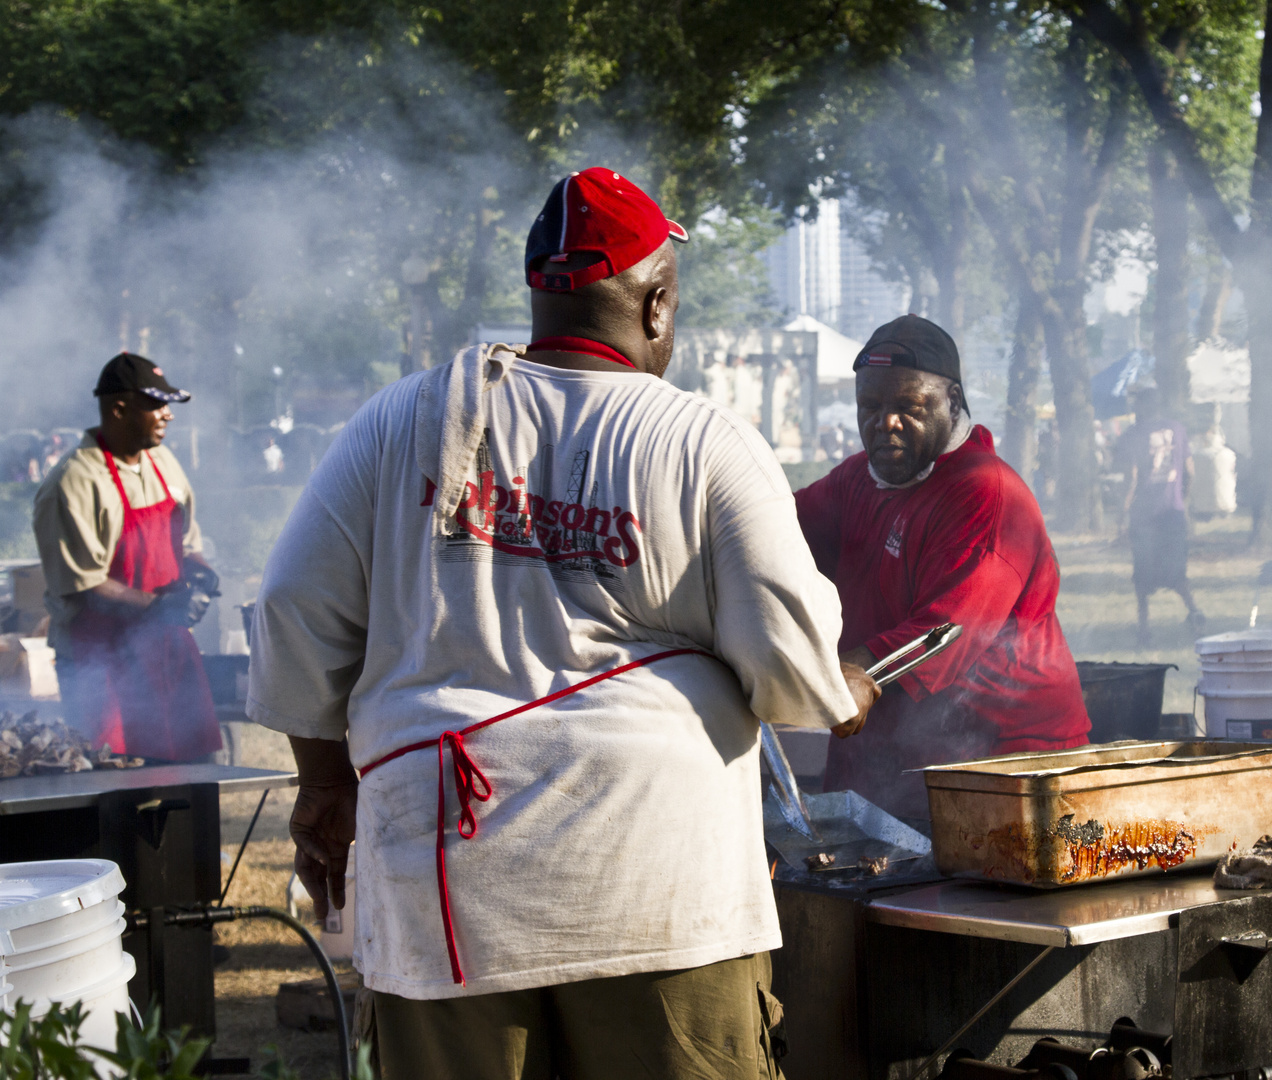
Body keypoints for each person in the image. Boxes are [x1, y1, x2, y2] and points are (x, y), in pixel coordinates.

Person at [247, 167, 877, 1080]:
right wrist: (844, 689)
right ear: (656, 305)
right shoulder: (702, 440)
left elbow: (292, 609)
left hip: (445, 889)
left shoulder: (401, 419)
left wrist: (323, 785)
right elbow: (794, 669)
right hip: (657, 891)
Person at [794, 315, 1089, 822]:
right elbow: (776, 535)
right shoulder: (859, 480)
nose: (885, 423)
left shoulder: (987, 495)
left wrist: (857, 670)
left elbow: (949, 631)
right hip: (900, 746)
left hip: (1006, 765)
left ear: (952, 402)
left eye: (909, 407)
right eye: (871, 406)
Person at [33, 353, 221, 761]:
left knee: (188, 785)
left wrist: (203, 576)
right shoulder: (74, 481)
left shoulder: (163, 463)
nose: (168, 415)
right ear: (119, 409)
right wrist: (162, 607)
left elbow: (186, 543)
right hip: (99, 666)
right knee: (115, 793)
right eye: (156, 405)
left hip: (167, 653)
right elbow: (86, 587)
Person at [1117, 386, 1204, 647]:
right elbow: (1190, 470)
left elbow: (1132, 478)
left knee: (1142, 575)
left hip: (1145, 516)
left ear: (1143, 406)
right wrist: (1182, 501)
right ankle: (1195, 611)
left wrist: (1122, 513)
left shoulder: (1134, 434)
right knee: (1176, 570)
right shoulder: (1177, 429)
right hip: (1173, 513)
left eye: (1137, 404)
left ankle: (1144, 629)